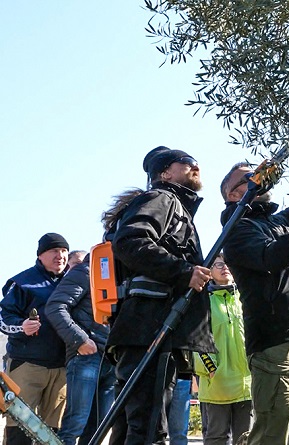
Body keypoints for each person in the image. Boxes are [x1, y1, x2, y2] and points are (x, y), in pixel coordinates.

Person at [106, 146, 215, 444]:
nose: (196, 166)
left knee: (133, 424)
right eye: (188, 162)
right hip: (150, 326)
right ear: (166, 172)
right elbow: (131, 241)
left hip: (146, 327)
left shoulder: (173, 206)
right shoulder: (162, 198)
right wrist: (184, 272)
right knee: (148, 425)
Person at [220, 161, 289, 445]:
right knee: (271, 435)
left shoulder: (277, 221)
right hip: (275, 346)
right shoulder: (237, 231)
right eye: (249, 177)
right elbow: (272, 256)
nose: (258, 177)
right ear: (234, 194)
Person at [0, 233, 69, 445]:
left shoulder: (74, 281)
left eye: (64, 251)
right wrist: (22, 327)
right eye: (54, 251)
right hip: (27, 365)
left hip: (63, 368)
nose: (60, 256)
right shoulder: (22, 282)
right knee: (19, 425)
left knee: (54, 431)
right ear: (40, 255)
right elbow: (2, 318)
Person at [45, 254, 116, 445]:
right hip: (87, 356)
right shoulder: (85, 272)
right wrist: (80, 340)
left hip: (110, 358)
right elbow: (55, 307)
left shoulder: (119, 276)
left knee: (99, 427)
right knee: (75, 424)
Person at [194, 253, 251, 445]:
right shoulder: (202, 302)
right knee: (216, 437)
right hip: (216, 383)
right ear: (209, 272)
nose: (224, 267)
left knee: (246, 438)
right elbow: (195, 339)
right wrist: (209, 368)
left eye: (227, 263)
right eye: (218, 264)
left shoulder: (246, 297)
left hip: (246, 382)